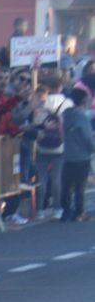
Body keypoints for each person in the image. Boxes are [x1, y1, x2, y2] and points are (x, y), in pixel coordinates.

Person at [59, 87, 92, 222]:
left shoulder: (66, 115)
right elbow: (87, 137)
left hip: (68, 154)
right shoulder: (81, 116)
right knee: (80, 186)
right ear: (84, 100)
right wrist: (92, 148)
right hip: (82, 155)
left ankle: (66, 211)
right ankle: (79, 212)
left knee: (67, 185)